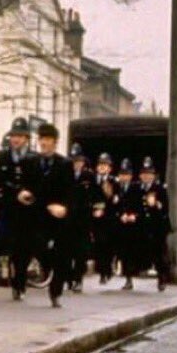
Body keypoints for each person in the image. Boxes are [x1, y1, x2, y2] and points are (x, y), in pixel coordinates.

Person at [0, 117, 40, 301]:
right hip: (7, 207)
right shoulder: (2, 156)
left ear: (26, 138)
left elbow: (39, 185)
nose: (15, 139)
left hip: (26, 210)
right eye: (13, 136)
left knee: (24, 248)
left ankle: (20, 281)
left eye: (20, 136)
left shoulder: (34, 159)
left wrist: (29, 194)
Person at [35, 123, 73, 307]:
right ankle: (45, 268)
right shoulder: (32, 162)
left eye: (48, 140)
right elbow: (29, 187)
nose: (44, 143)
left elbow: (70, 191)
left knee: (61, 255)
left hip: (58, 217)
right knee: (39, 247)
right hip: (39, 214)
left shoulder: (64, 164)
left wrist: (63, 207)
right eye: (41, 139)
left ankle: (56, 293)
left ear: (55, 142)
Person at [137, 156, 170, 291]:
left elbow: (165, 207)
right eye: (144, 174)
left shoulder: (160, 189)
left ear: (153, 176)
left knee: (160, 253)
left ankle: (162, 277)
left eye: (149, 174)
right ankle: (140, 269)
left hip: (157, 226)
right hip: (143, 225)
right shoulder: (137, 188)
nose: (146, 176)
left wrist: (156, 204)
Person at [67, 144, 94, 293]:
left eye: (78, 161)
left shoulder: (88, 176)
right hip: (68, 218)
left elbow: (96, 194)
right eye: (73, 160)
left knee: (80, 252)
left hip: (83, 220)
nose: (76, 164)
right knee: (67, 251)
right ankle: (69, 278)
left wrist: (97, 208)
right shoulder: (65, 174)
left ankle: (78, 279)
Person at [113, 158, 142, 290]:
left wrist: (133, 216)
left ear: (131, 175)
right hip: (120, 225)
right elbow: (114, 206)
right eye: (122, 174)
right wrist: (120, 215)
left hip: (133, 225)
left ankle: (129, 277)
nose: (124, 177)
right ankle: (124, 274)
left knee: (130, 252)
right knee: (122, 251)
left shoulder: (136, 188)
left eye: (126, 174)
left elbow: (140, 206)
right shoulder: (117, 189)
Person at [90, 152, 116, 284]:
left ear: (109, 168)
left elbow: (115, 201)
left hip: (107, 219)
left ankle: (106, 271)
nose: (102, 167)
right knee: (97, 245)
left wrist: (104, 209)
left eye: (105, 165)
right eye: (100, 164)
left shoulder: (112, 182)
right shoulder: (92, 180)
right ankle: (101, 271)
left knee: (106, 245)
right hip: (94, 216)